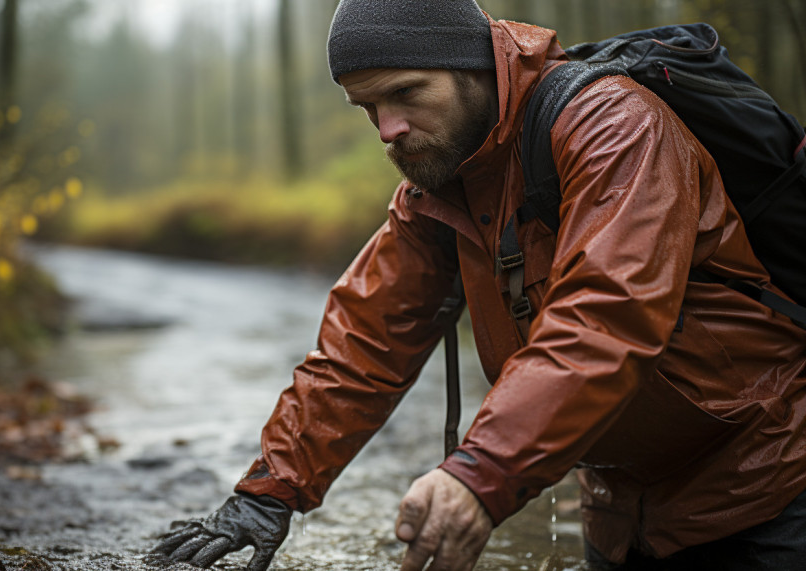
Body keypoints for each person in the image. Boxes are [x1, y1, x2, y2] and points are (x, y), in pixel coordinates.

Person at [152, 1, 806, 569]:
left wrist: (477, 477)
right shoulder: (435, 191)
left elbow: (603, 321)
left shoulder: (613, 126)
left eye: (406, 93)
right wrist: (268, 494)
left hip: (768, 487)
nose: (387, 129)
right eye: (367, 106)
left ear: (475, 68)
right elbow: (362, 348)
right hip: (621, 509)